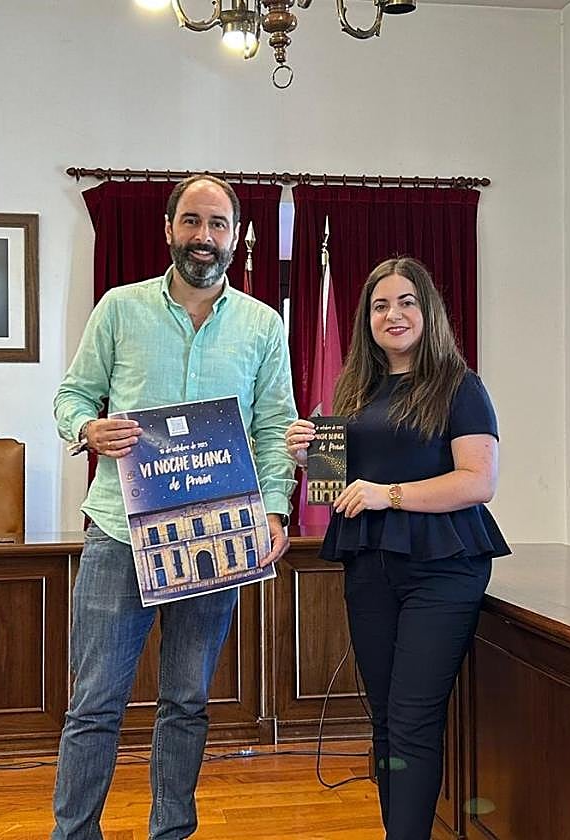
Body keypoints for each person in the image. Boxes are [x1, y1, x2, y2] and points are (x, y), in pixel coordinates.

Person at [52, 174, 298, 840]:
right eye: (192, 222)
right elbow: (71, 397)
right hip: (118, 535)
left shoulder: (262, 326)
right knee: (94, 704)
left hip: (215, 535)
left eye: (218, 225)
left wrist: (275, 510)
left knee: (187, 703)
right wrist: (86, 430)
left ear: (238, 236)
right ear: (168, 228)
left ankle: (172, 832)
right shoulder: (119, 309)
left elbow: (277, 425)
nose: (204, 237)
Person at [285, 256, 509, 840]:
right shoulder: (355, 390)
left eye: (406, 301)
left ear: (426, 310)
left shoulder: (460, 385)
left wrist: (390, 494)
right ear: (367, 320)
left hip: (442, 572)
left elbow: (478, 482)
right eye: (380, 305)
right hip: (368, 569)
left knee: (411, 722)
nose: (394, 314)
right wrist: (308, 457)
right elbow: (338, 490)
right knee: (384, 722)